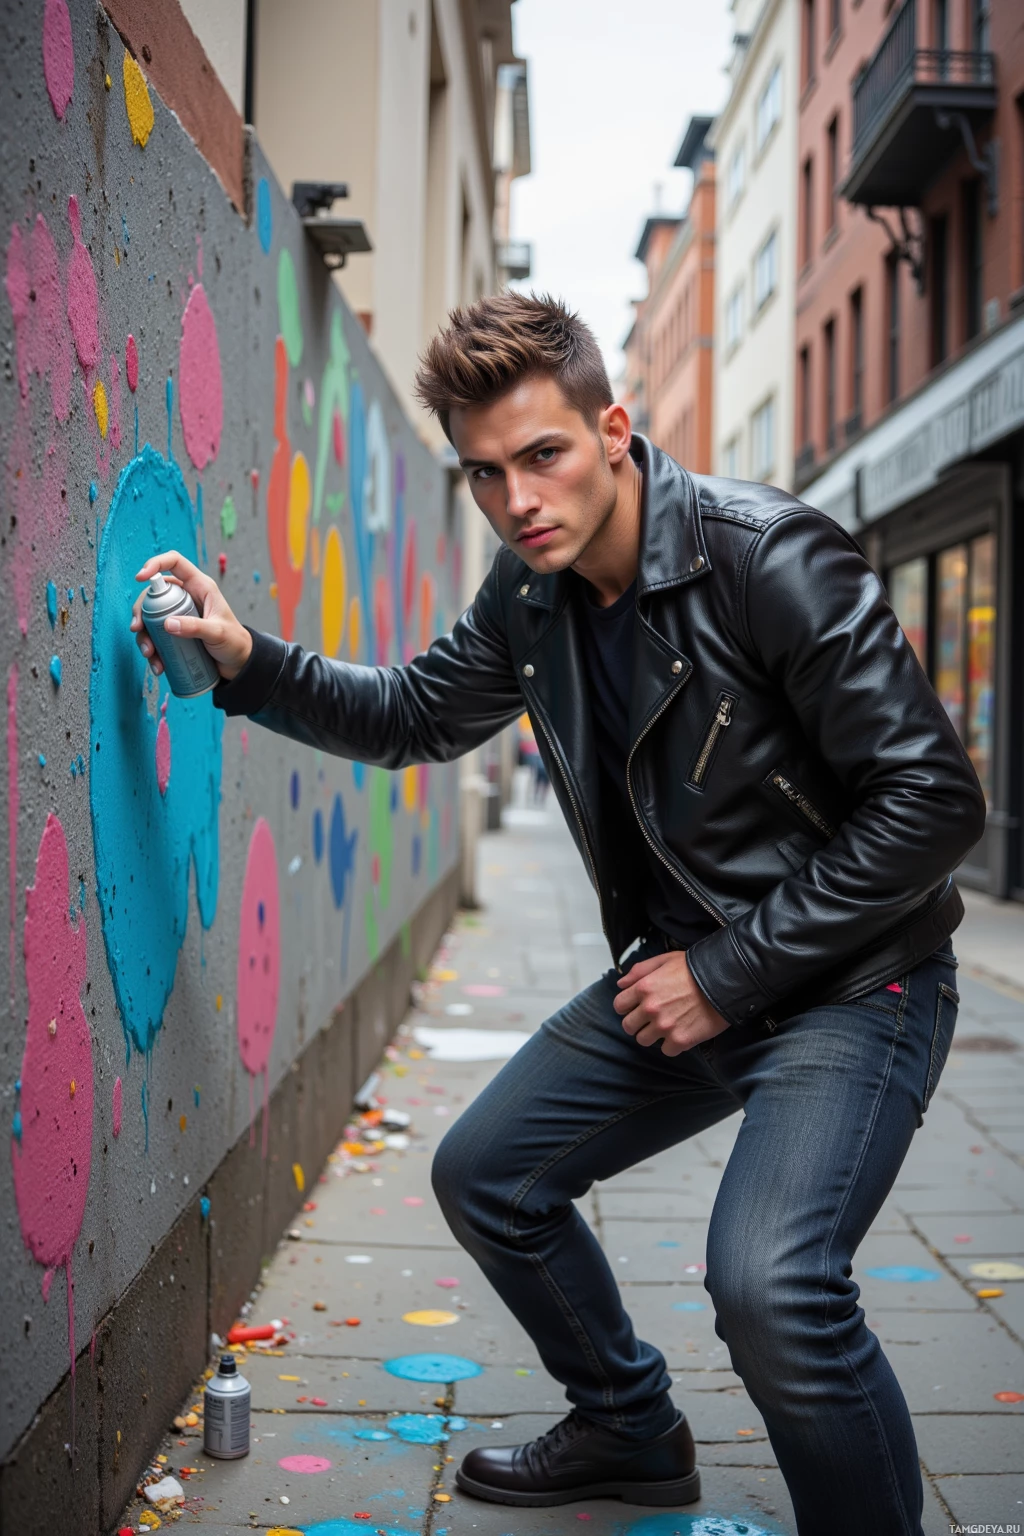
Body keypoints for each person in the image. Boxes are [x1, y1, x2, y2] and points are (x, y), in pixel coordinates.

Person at [131, 293, 985, 1535]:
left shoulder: (770, 557)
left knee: (771, 1286)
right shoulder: (530, 597)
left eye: (544, 455)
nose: (518, 497)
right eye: (486, 474)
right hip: (693, 971)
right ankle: (631, 1429)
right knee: (490, 1175)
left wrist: (727, 974)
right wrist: (248, 658)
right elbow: (415, 715)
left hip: (858, 980)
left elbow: (933, 803)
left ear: (615, 431)